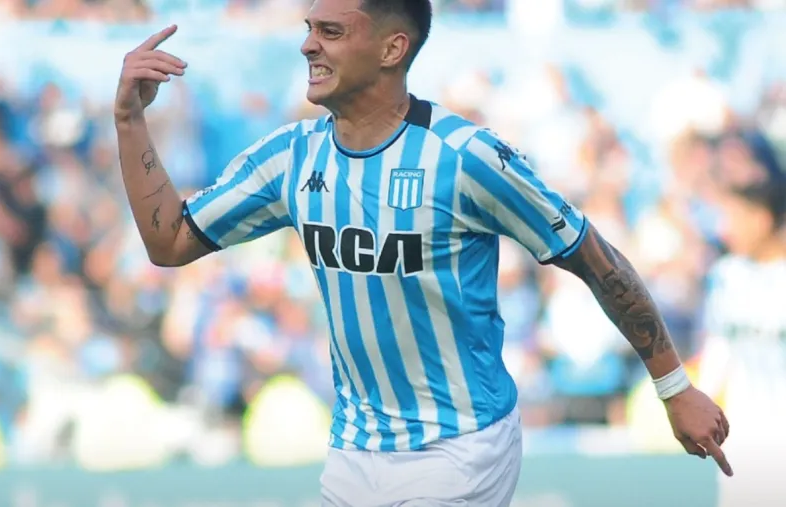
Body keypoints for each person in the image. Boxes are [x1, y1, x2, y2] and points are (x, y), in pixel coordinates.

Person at [112, 0, 732, 503]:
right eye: (309, 28)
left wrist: (674, 387)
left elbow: (595, 259)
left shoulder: (466, 158)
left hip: (460, 445)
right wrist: (129, 123)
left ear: (392, 49)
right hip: (353, 450)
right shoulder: (291, 157)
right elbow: (170, 240)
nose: (307, 46)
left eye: (330, 31)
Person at [696, 131, 786, 507]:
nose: (725, 229)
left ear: (762, 219)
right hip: (743, 444)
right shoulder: (727, 275)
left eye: (734, 217)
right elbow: (718, 351)